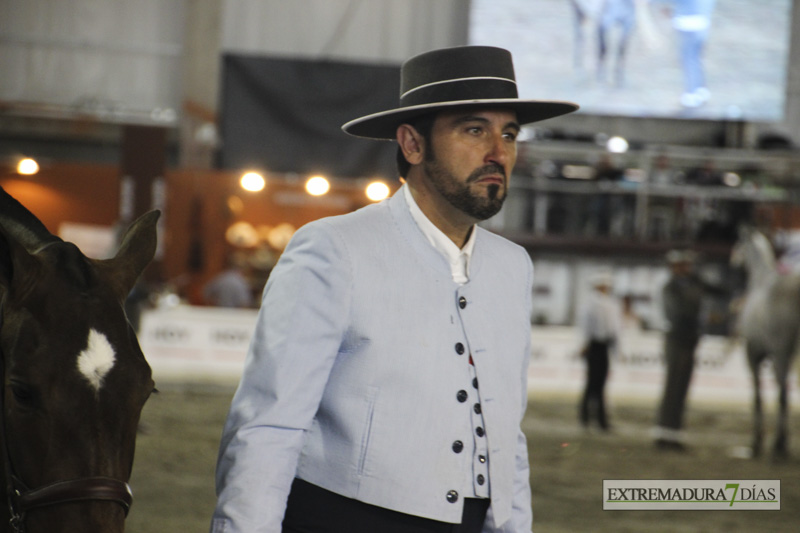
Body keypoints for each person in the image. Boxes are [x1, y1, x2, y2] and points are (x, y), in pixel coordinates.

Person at [210, 46, 578, 533]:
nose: (498, 152)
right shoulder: (336, 248)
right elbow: (268, 424)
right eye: (474, 129)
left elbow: (506, 437)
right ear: (412, 144)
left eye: (508, 133)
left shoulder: (513, 268)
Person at [653, 249, 703, 451]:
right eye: (684, 265)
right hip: (677, 340)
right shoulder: (670, 288)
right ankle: (664, 434)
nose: (688, 268)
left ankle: (673, 434)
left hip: (688, 341)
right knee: (673, 387)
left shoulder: (689, 285)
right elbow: (678, 314)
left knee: (681, 388)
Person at [578, 271, 622, 431]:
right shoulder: (590, 303)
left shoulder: (610, 303)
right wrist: (583, 344)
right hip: (594, 345)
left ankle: (599, 420)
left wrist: (617, 349)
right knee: (592, 383)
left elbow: (616, 329)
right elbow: (585, 326)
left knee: (600, 383)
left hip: (604, 345)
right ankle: (587, 418)